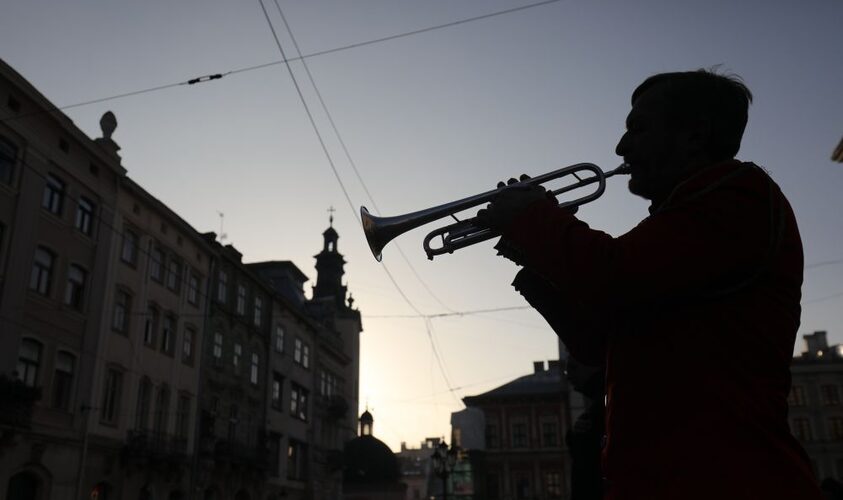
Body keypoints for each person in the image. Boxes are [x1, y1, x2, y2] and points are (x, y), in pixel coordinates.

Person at [480, 70, 823, 499]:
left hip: (725, 476)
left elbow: (613, 275)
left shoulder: (737, 194)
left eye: (638, 129)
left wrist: (535, 219)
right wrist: (529, 251)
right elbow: (597, 344)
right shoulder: (680, 218)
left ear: (694, 135)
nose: (621, 147)